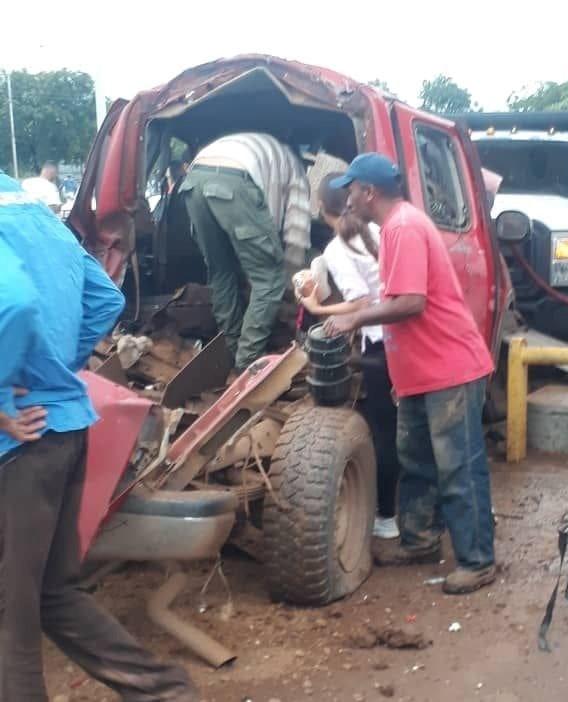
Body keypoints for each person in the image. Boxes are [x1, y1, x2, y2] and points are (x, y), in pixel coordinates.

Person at [0, 173, 199, 701]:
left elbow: (13, 302)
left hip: (18, 443)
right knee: (51, 594)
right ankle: (163, 691)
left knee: (9, 616)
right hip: (63, 428)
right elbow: (104, 298)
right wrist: (56, 367)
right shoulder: (30, 209)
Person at [324, 153, 496, 595]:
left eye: (352, 190)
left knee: (458, 466)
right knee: (416, 461)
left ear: (369, 192)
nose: (347, 199)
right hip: (423, 372)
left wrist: (353, 320)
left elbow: (410, 302)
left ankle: (478, 561)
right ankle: (419, 542)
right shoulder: (398, 225)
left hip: (449, 369)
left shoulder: (402, 226)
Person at [299, 172, 400, 540]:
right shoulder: (375, 229)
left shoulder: (336, 249)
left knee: (382, 429)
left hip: (381, 340)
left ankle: (387, 519)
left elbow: (360, 302)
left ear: (320, 207)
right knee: (410, 425)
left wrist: (316, 307)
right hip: (403, 336)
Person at [180, 132, 311, 372]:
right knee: (269, 278)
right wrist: (292, 283)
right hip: (234, 180)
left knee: (220, 271)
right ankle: (247, 364)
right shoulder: (295, 171)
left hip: (194, 178)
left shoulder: (266, 151)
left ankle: (232, 349)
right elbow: (295, 233)